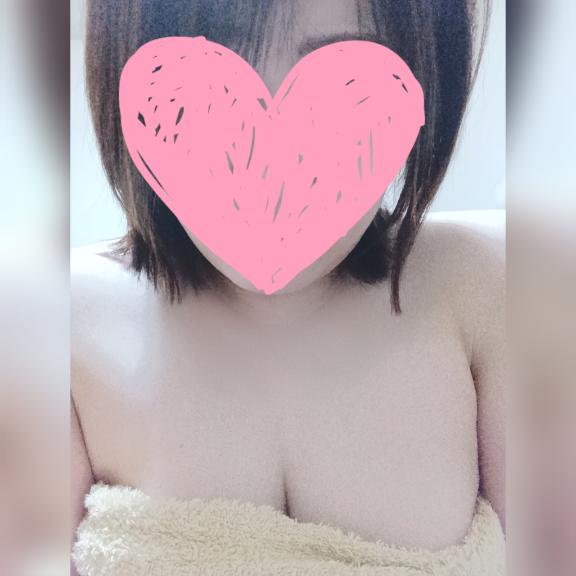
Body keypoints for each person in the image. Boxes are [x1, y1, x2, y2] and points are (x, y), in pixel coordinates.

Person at [72, 0, 504, 573]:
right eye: (218, 61)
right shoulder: (56, 323)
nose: (271, 155)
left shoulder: (483, 289)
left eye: (343, 65)